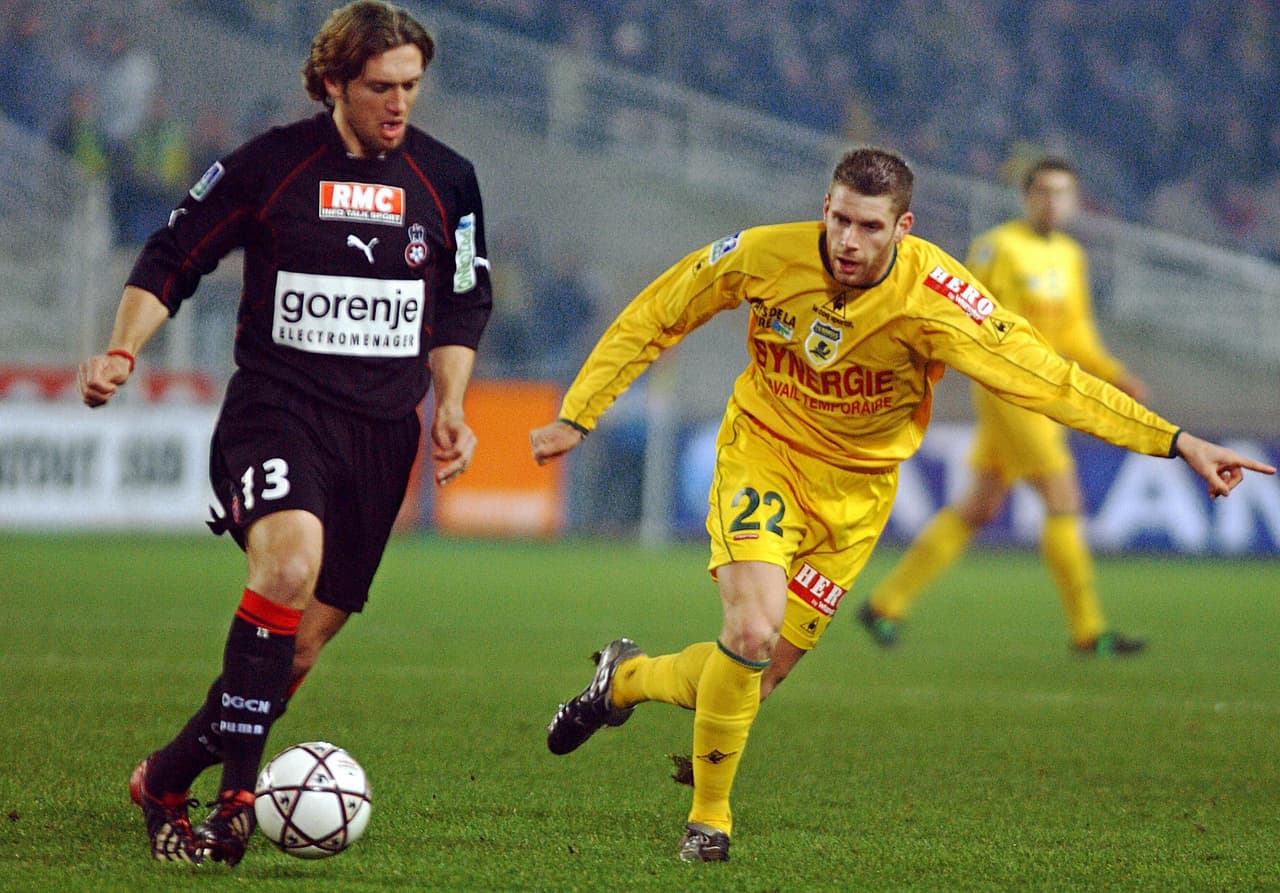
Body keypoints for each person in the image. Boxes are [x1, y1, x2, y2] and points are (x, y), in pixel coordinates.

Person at [529, 147, 1273, 863]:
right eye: (840, 220)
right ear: (825, 207)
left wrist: (1175, 440)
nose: (849, 241)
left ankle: (621, 680)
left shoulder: (939, 299)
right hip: (765, 454)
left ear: (903, 228)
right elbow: (658, 310)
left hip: (855, 496)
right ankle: (709, 818)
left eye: (870, 227)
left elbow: (1048, 378)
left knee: (756, 674)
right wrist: (580, 410)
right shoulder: (762, 255)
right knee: (750, 631)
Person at [77, 1, 492, 866]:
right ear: (333, 82)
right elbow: (173, 255)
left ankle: (165, 775)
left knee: (298, 644)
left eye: (411, 86)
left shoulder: (449, 181)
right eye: (380, 86)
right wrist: (124, 347)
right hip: (278, 410)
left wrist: (450, 403)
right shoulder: (269, 165)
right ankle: (235, 799)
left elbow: (460, 302)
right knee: (289, 563)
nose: (398, 104)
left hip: (382, 437)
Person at [859, 157, 1152, 655]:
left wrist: (1114, 373)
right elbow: (959, 314)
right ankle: (1087, 630)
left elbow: (1075, 334)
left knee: (980, 506)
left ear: (1074, 201)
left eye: (1062, 193)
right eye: (1043, 192)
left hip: (1037, 387)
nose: (1053, 202)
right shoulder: (998, 248)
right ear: (1027, 196)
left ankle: (885, 602)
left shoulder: (1070, 257)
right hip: (1009, 390)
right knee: (1064, 499)